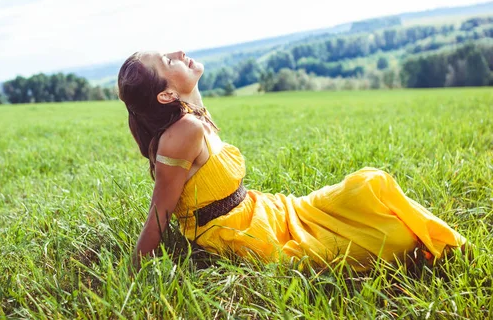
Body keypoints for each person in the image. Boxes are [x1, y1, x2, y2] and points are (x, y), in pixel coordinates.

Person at [118, 50, 466, 271]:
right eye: (167, 61)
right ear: (166, 95)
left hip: (267, 210)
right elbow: (159, 214)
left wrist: (183, 76)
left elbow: (186, 89)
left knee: (370, 183)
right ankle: (444, 247)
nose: (178, 52)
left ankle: (448, 244)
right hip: (242, 234)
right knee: (394, 236)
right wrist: (136, 271)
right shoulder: (183, 133)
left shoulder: (191, 108)